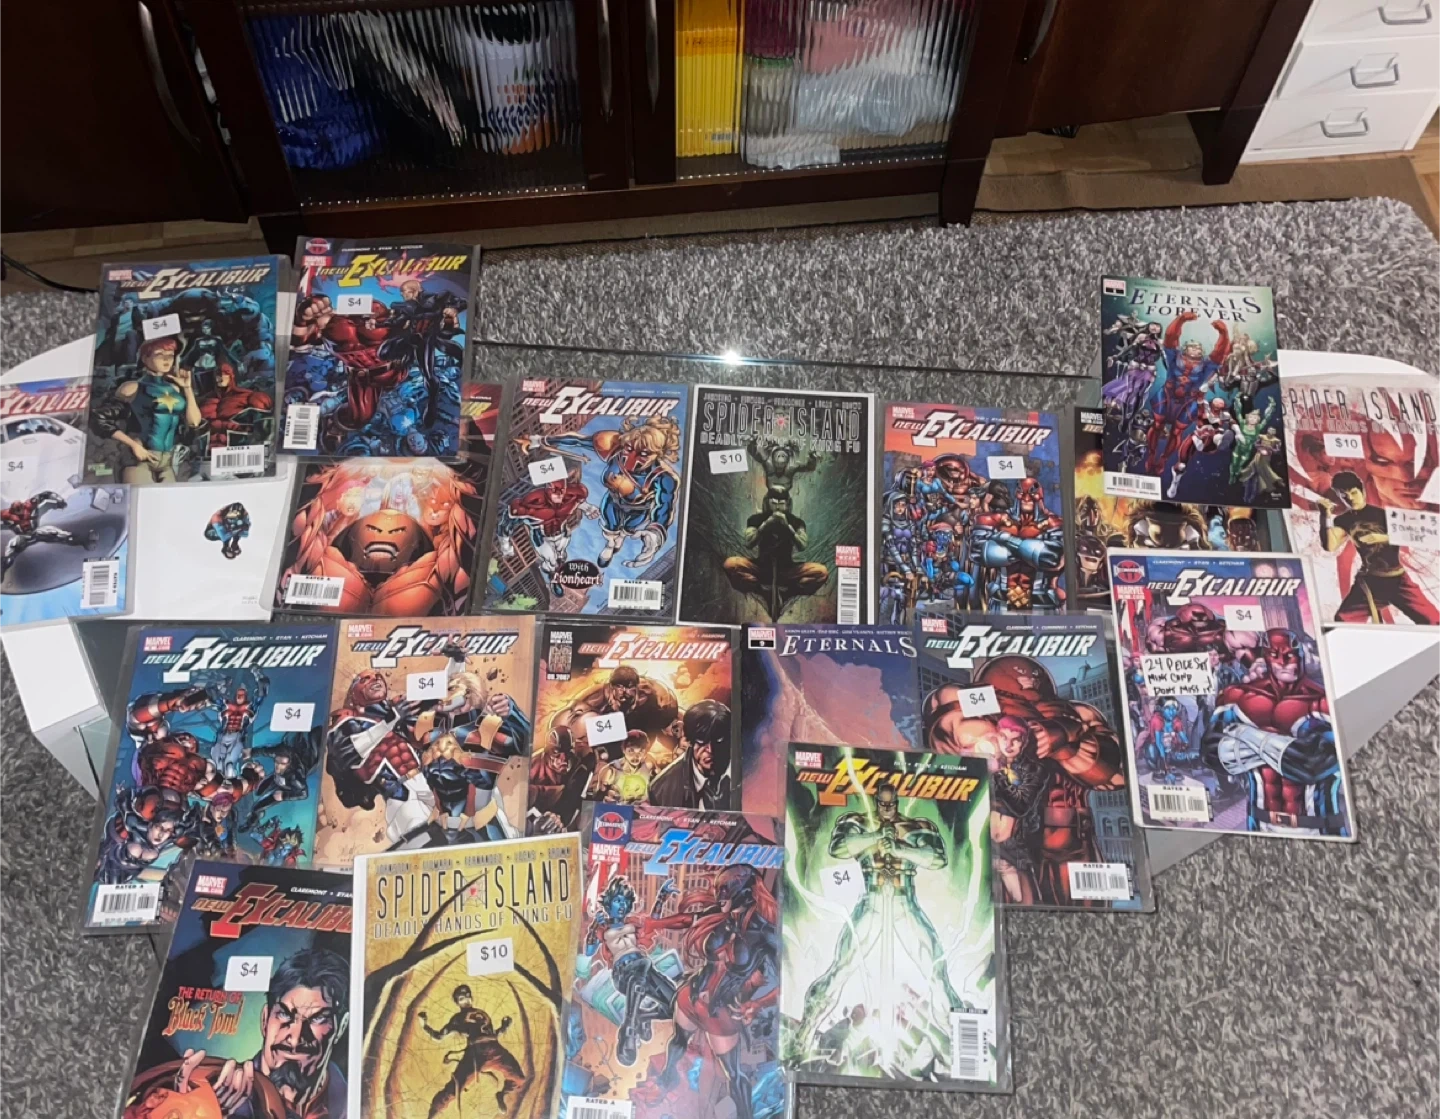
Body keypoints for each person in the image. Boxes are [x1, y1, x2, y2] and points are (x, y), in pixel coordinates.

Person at [163, 947, 350, 1119]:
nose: (294, 1039)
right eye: (284, 1014)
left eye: (317, 1019)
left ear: (341, 1026)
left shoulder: (346, 1097)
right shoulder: (220, 1099)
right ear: (265, 1019)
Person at [1318, 469, 1440, 624]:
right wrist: (1325, 516)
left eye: (1353, 492)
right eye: (1344, 495)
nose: (1350, 498)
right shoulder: (1344, 520)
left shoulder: (1384, 515)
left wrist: (1382, 538)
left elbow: (1415, 535)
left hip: (1398, 580)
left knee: (1434, 621)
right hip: (1371, 581)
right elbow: (1330, 546)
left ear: (1362, 491)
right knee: (1343, 620)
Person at [419, 985, 523, 1117]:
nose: (466, 999)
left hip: (495, 1050)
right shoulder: (457, 1019)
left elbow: (491, 1034)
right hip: (476, 1054)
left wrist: (504, 1027)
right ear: (457, 1002)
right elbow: (439, 1036)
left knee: (518, 1077)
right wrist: (425, 1026)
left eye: (468, 995)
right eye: (462, 998)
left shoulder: (482, 1013)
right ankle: (432, 1114)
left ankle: (502, 1094)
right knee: (455, 1087)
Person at [647, 700, 732, 809]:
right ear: (690, 740)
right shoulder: (661, 790)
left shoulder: (746, 769)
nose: (710, 750)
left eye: (718, 741)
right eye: (702, 741)